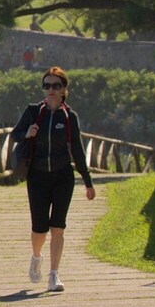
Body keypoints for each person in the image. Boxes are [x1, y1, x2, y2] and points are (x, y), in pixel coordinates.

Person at [9, 67, 96, 292]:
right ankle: (36, 257)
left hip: (62, 177)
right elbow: (14, 135)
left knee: (58, 227)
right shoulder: (33, 111)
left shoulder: (69, 117)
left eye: (56, 86)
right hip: (37, 176)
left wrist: (87, 181)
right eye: (46, 85)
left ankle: (54, 275)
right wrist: (27, 132)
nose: (50, 90)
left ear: (64, 89)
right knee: (39, 229)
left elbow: (77, 149)